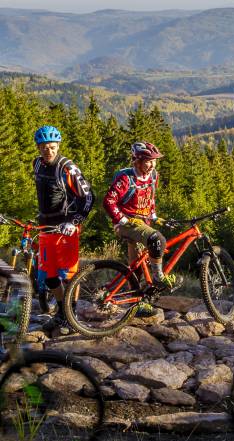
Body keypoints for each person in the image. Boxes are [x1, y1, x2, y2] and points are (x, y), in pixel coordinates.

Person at [103, 141, 180, 314]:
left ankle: (138, 304)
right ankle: (159, 278)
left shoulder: (153, 176)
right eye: (148, 161)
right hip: (128, 224)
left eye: (154, 161)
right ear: (137, 160)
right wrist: (122, 220)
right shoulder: (126, 178)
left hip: (143, 223)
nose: (152, 164)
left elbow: (150, 198)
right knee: (157, 240)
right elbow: (108, 201)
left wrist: (154, 216)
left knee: (138, 265)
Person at [33, 125, 94, 332]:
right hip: (46, 226)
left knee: (68, 275)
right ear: (38, 148)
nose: (47, 151)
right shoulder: (37, 165)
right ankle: (61, 313)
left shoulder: (67, 167)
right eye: (43, 147)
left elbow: (88, 197)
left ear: (58, 146)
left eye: (51, 147)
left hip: (66, 227)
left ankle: (72, 314)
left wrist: (74, 222)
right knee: (50, 275)